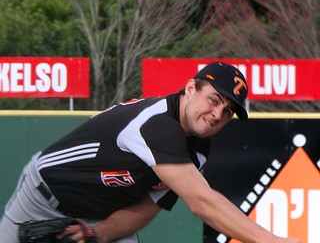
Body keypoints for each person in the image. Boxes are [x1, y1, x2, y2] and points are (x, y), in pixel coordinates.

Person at [0, 62, 302, 243]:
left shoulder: (198, 149)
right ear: (190, 88)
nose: (217, 114)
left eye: (227, 111)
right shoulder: (157, 124)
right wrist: (269, 239)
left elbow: (147, 207)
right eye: (213, 100)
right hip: (41, 197)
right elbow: (201, 202)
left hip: (96, 216)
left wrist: (101, 234)